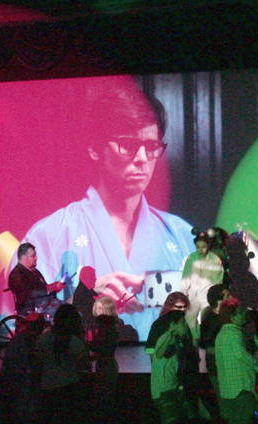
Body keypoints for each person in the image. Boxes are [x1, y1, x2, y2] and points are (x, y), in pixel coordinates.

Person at [18, 79, 194, 339]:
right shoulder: (49, 236)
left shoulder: (182, 235)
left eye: (151, 147)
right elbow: (23, 316)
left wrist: (153, 289)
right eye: (128, 145)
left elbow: (208, 306)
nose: (142, 159)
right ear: (94, 148)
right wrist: (81, 298)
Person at [215, 298, 258, 424]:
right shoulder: (234, 333)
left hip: (227, 389)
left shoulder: (222, 334)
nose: (244, 314)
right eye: (240, 312)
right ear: (232, 317)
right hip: (240, 388)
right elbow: (242, 355)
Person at [150, 310, 195, 424]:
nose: (186, 325)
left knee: (182, 422)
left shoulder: (178, 340)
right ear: (173, 324)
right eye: (183, 322)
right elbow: (159, 353)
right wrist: (170, 333)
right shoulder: (167, 337)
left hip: (173, 388)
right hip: (164, 391)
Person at [179, 231, 224, 334]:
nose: (200, 249)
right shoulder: (191, 258)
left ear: (208, 246)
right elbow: (186, 276)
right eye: (198, 247)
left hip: (207, 295)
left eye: (203, 247)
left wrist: (214, 297)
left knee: (206, 319)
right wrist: (183, 294)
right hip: (192, 294)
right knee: (189, 318)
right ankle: (194, 339)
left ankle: (204, 340)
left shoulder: (215, 260)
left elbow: (217, 281)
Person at [8, 242, 66, 317]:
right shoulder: (16, 274)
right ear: (23, 257)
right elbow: (27, 295)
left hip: (44, 304)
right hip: (31, 309)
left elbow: (43, 288)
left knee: (67, 308)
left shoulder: (34, 271)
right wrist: (49, 288)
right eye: (33, 256)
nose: (36, 258)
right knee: (63, 312)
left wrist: (55, 288)